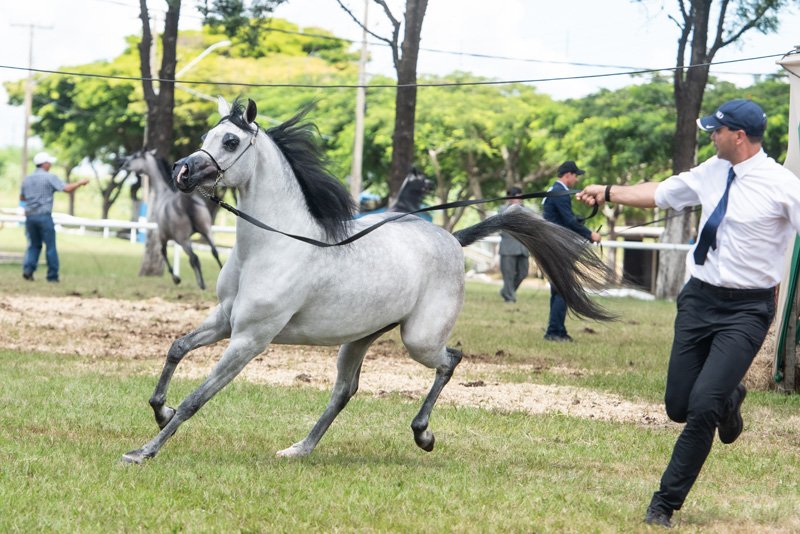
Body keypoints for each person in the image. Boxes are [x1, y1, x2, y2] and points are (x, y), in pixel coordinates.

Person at [577, 99, 800, 528]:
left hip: (747, 309)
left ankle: (665, 503)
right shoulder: (711, 171)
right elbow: (660, 193)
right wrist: (607, 192)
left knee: (700, 408)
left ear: (738, 136)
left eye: (716, 130)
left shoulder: (782, 185)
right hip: (698, 300)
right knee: (679, 405)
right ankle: (729, 400)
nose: (710, 135)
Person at [541, 161, 601, 341]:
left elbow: (563, 218)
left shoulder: (555, 191)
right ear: (568, 175)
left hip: (552, 246)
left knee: (558, 290)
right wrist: (590, 234)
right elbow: (567, 222)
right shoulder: (560, 193)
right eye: (576, 176)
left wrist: (578, 220)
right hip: (558, 247)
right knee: (562, 290)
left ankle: (555, 330)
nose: (576, 180)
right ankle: (554, 331)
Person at [19, 151, 89, 282]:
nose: (50, 165)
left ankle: (28, 270)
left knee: (33, 245)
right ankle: (52, 276)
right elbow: (66, 189)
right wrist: (80, 183)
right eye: (49, 163)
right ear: (44, 164)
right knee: (50, 246)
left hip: (30, 217)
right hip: (44, 216)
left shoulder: (27, 179)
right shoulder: (49, 177)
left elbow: (22, 197)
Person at [498, 186, 531, 303]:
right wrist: (513, 205)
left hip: (523, 248)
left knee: (523, 273)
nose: (516, 199)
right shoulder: (503, 210)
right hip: (508, 248)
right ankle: (509, 297)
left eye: (518, 196)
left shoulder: (527, 211)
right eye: (513, 197)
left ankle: (506, 291)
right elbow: (505, 216)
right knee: (508, 275)